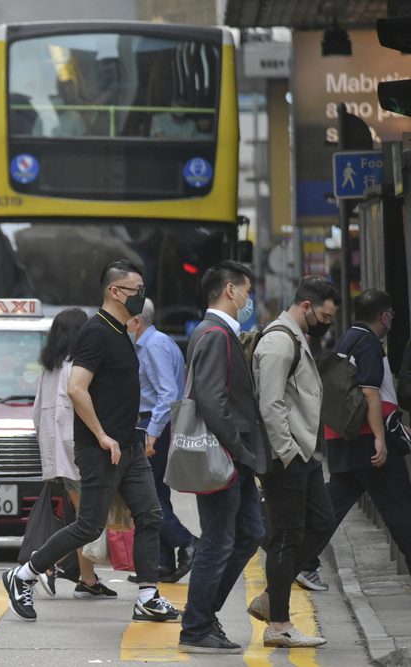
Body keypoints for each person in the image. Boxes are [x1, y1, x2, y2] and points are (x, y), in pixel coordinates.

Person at [3, 260, 177, 624]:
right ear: (115, 292)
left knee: (150, 515)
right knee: (88, 526)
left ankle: (147, 594)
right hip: (101, 450)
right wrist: (101, 435)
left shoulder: (120, 331)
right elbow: (75, 388)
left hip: (128, 445)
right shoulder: (96, 332)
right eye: (136, 290)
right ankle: (24, 575)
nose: (141, 297)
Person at [178, 261, 271, 654]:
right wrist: (239, 449)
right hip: (225, 457)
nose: (249, 299)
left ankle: (202, 615)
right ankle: (196, 626)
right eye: (247, 291)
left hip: (236, 457)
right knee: (218, 541)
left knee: (250, 532)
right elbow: (213, 402)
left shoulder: (218, 333)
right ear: (230, 290)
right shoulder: (215, 334)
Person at [248, 276, 340, 648]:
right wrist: (286, 451)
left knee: (321, 522)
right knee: (287, 537)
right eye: (324, 315)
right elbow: (269, 403)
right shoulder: (278, 341)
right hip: (285, 456)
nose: (327, 323)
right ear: (305, 307)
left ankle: (273, 597)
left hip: (301, 453)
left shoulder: (294, 336)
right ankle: (279, 626)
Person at [305, 289, 411, 576]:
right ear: (384, 316)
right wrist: (380, 438)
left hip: (343, 437)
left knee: (333, 506)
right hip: (367, 442)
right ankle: (298, 560)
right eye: (390, 314)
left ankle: (299, 559)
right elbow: (369, 393)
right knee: (401, 508)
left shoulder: (347, 339)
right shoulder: (370, 344)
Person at [32, 307, 117, 600]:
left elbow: (36, 414)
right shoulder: (78, 367)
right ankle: (50, 565)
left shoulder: (50, 368)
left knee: (83, 517)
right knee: (88, 521)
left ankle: (87, 580)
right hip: (81, 453)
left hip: (60, 454)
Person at [127, 298, 196, 584]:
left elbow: (167, 394)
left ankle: (188, 540)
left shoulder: (153, 346)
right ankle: (164, 562)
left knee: (146, 497)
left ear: (136, 321)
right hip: (154, 424)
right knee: (156, 493)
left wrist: (152, 432)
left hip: (153, 425)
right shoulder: (157, 342)